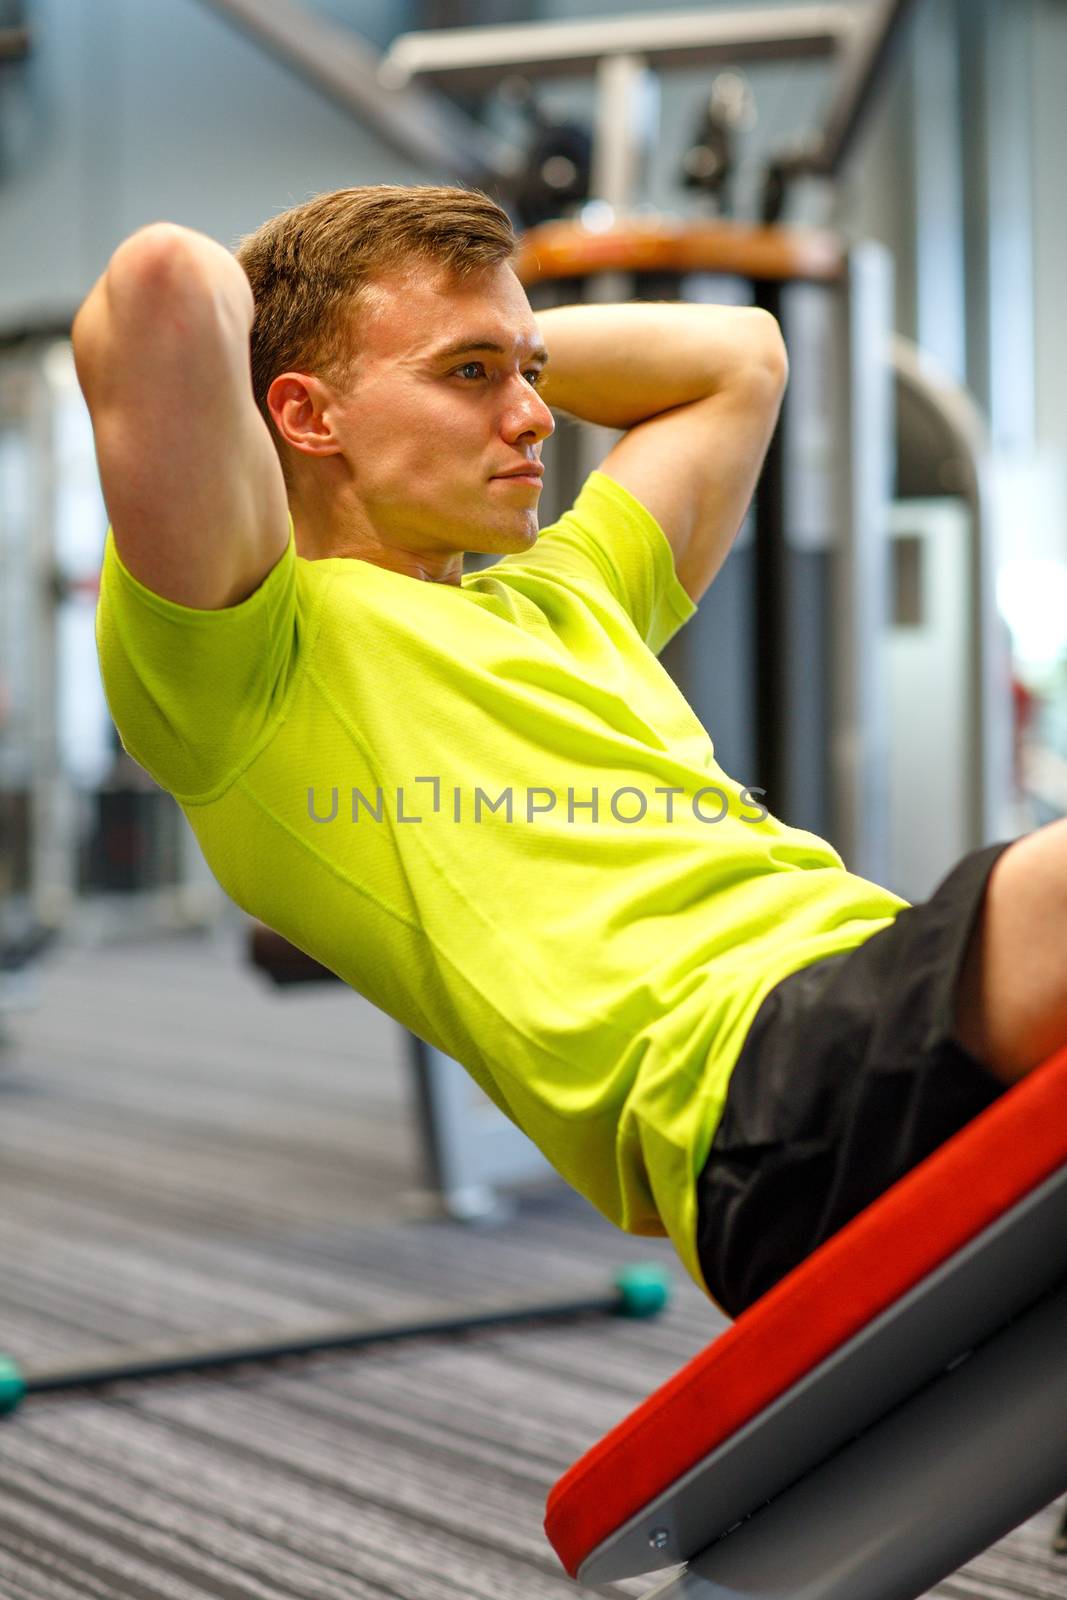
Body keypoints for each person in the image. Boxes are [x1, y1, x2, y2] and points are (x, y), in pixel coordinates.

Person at [76, 184, 1067, 1319]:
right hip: (752, 1086)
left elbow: (741, 354)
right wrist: (336, 330)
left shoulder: (574, 594)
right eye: (471, 377)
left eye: (531, 375)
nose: (536, 414)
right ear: (304, 415)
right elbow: (167, 281)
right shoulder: (254, 662)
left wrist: (480, 341)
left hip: (869, 984)